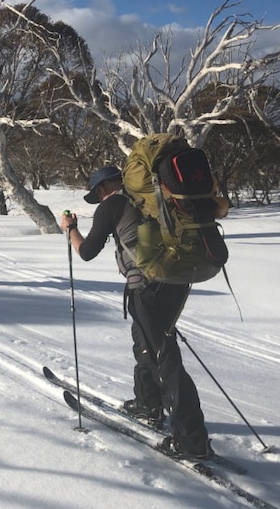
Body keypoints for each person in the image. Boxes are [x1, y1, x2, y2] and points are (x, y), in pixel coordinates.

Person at [59, 165, 212, 459]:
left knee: (164, 358)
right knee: (148, 344)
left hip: (148, 287)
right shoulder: (148, 201)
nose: (99, 197)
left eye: (97, 192)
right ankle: (147, 404)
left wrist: (70, 229)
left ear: (103, 188)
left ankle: (192, 440)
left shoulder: (113, 205)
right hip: (174, 282)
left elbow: (87, 251)